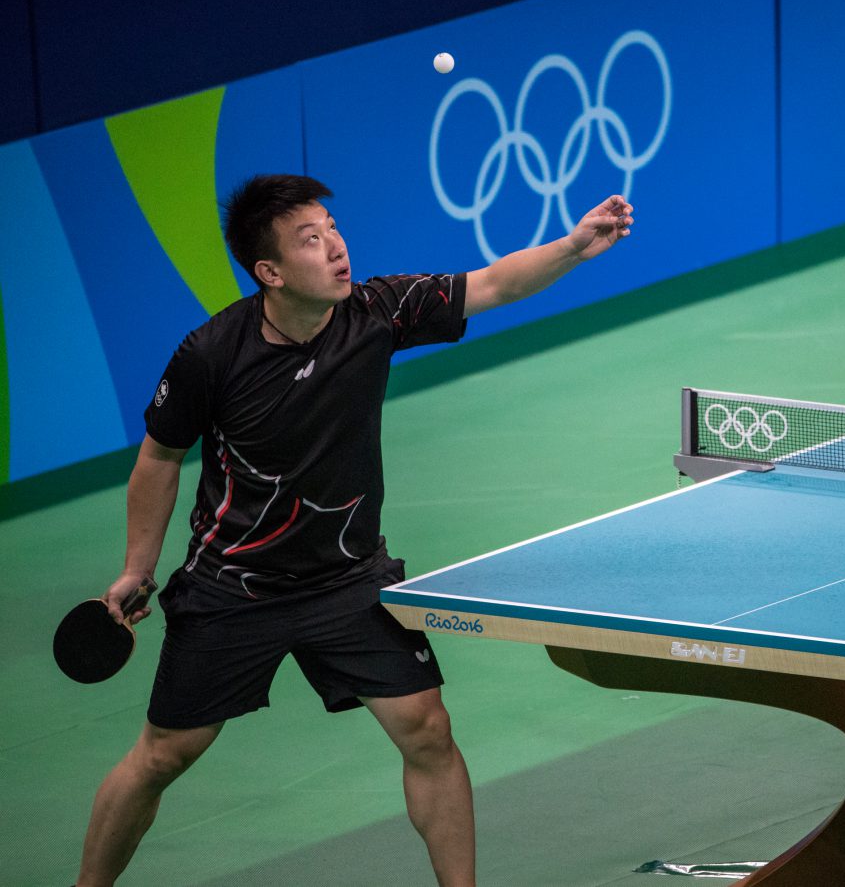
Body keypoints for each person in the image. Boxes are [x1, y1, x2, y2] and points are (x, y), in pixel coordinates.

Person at [76, 174, 634, 887]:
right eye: (311, 239)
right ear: (269, 273)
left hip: (347, 577)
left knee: (427, 728)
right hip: (236, 584)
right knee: (162, 755)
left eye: (332, 227)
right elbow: (159, 457)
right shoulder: (212, 355)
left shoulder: (376, 312)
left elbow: (491, 283)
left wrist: (576, 246)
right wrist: (136, 566)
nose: (336, 246)